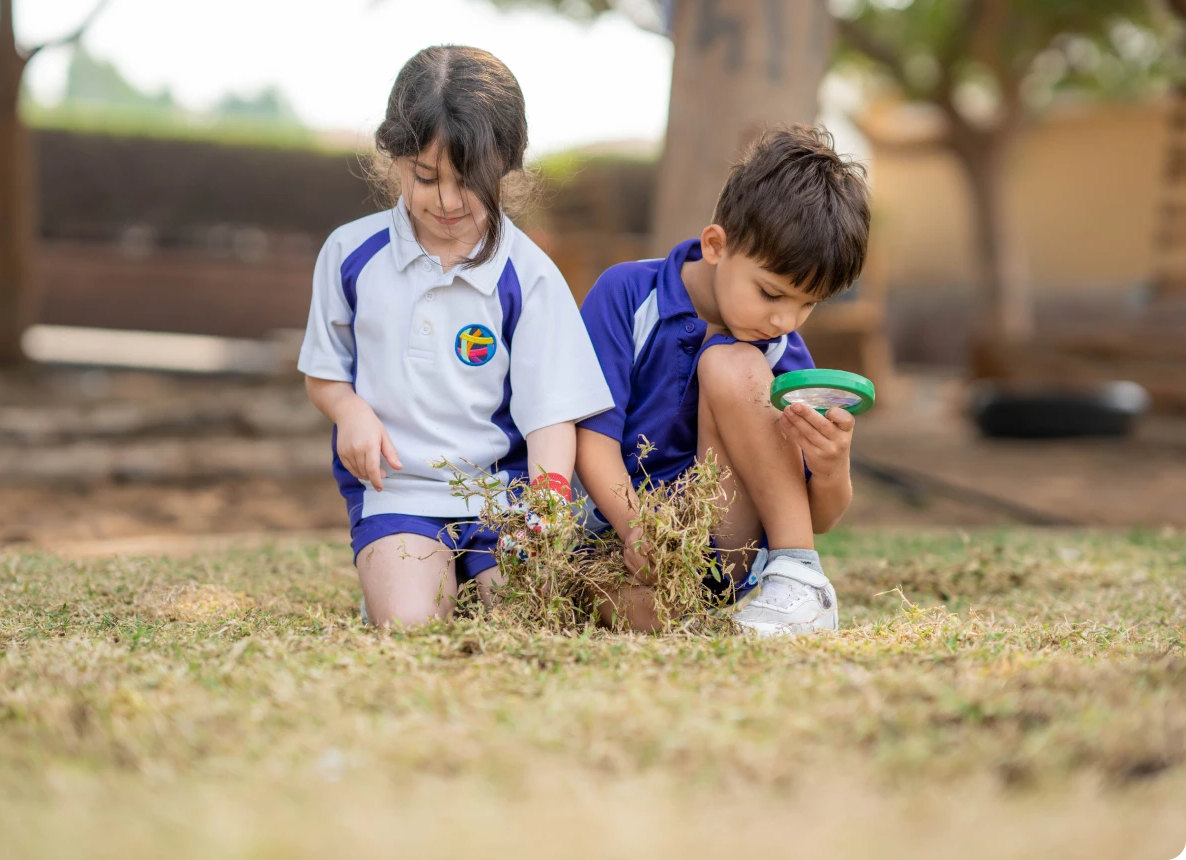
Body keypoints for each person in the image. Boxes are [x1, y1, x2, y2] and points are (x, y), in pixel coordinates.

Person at [299, 46, 613, 628]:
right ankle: (409, 578)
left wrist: (546, 503)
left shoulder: (531, 275)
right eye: (426, 177)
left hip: (506, 498)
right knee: (411, 626)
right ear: (394, 159)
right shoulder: (349, 254)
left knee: (525, 620)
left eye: (469, 182)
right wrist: (350, 412)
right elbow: (325, 374)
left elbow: (551, 414)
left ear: (507, 169)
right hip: (400, 493)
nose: (445, 200)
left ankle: (460, 576)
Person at [575, 124, 870, 636]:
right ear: (715, 245)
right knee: (628, 611)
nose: (784, 320)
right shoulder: (628, 294)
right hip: (618, 542)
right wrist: (635, 526)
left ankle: (801, 581)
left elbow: (817, 517)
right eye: (771, 293)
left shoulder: (777, 350)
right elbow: (591, 439)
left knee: (731, 363)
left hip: (720, 551)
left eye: (808, 305)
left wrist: (831, 468)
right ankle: (705, 620)